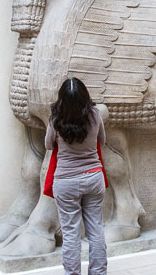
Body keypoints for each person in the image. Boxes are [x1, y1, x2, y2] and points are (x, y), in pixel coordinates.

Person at [45, 77, 107, 275]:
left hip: (66, 182)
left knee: (71, 233)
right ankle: (98, 272)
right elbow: (102, 141)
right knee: (95, 229)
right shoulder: (95, 115)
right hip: (93, 178)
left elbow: (48, 144)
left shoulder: (55, 120)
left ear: (61, 99)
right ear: (85, 97)